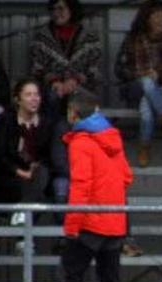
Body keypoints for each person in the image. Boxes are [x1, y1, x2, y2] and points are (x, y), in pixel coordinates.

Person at [48, 90, 133, 282]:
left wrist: (71, 226)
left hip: (89, 222)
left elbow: (81, 185)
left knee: (69, 277)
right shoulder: (112, 138)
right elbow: (127, 177)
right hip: (115, 219)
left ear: (72, 113)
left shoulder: (80, 142)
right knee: (110, 281)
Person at [30, 0, 101, 226]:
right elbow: (37, 69)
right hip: (53, 91)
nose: (57, 13)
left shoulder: (89, 36)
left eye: (62, 8)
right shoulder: (42, 36)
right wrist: (55, 81)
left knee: (79, 96)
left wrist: (75, 81)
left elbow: (95, 70)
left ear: (72, 10)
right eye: (54, 9)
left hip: (81, 89)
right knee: (52, 97)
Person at [115, 0, 162, 167]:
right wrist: (141, 74)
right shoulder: (133, 39)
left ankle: (144, 146)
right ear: (147, 18)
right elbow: (119, 70)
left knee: (146, 105)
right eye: (156, 15)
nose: (161, 19)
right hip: (136, 88)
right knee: (146, 82)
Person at [0, 79, 56, 226]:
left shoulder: (47, 123)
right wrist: (20, 172)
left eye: (36, 94)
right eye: (28, 95)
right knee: (35, 194)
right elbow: (0, 156)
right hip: (9, 176)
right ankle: (22, 233)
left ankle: (20, 229)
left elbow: (50, 155)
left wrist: (35, 168)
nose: (34, 99)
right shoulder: (5, 121)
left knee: (41, 175)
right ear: (18, 99)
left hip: (38, 175)